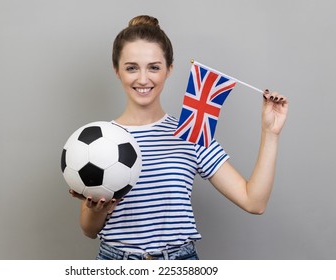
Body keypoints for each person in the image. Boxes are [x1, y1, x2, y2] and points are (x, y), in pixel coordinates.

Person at [69, 15, 289, 260]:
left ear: (169, 69)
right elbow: (89, 230)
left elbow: (254, 202)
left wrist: (270, 133)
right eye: (132, 67)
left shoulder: (190, 132)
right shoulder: (99, 140)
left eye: (154, 67)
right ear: (117, 71)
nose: (143, 79)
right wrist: (98, 210)